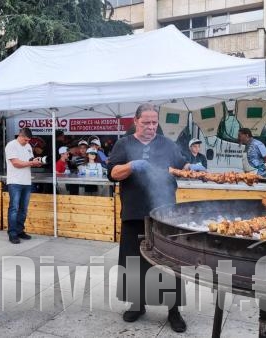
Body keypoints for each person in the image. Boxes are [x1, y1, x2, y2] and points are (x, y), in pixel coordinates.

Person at [107, 103, 189, 332]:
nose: (151, 127)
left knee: (169, 262)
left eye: (155, 122)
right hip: (134, 213)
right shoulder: (124, 144)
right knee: (134, 261)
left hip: (164, 214)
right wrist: (132, 165)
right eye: (146, 123)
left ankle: (174, 310)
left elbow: (182, 165)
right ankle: (137, 304)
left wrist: (195, 168)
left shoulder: (167, 144)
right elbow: (113, 173)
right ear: (135, 121)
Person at [5, 127, 43, 244]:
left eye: (28, 140)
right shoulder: (11, 145)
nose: (27, 142)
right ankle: (12, 233)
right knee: (14, 208)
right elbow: (16, 163)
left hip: (26, 181)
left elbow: (29, 160)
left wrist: (36, 162)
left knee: (23, 209)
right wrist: (31, 162)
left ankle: (20, 230)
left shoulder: (28, 146)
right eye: (25, 140)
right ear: (20, 136)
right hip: (15, 181)